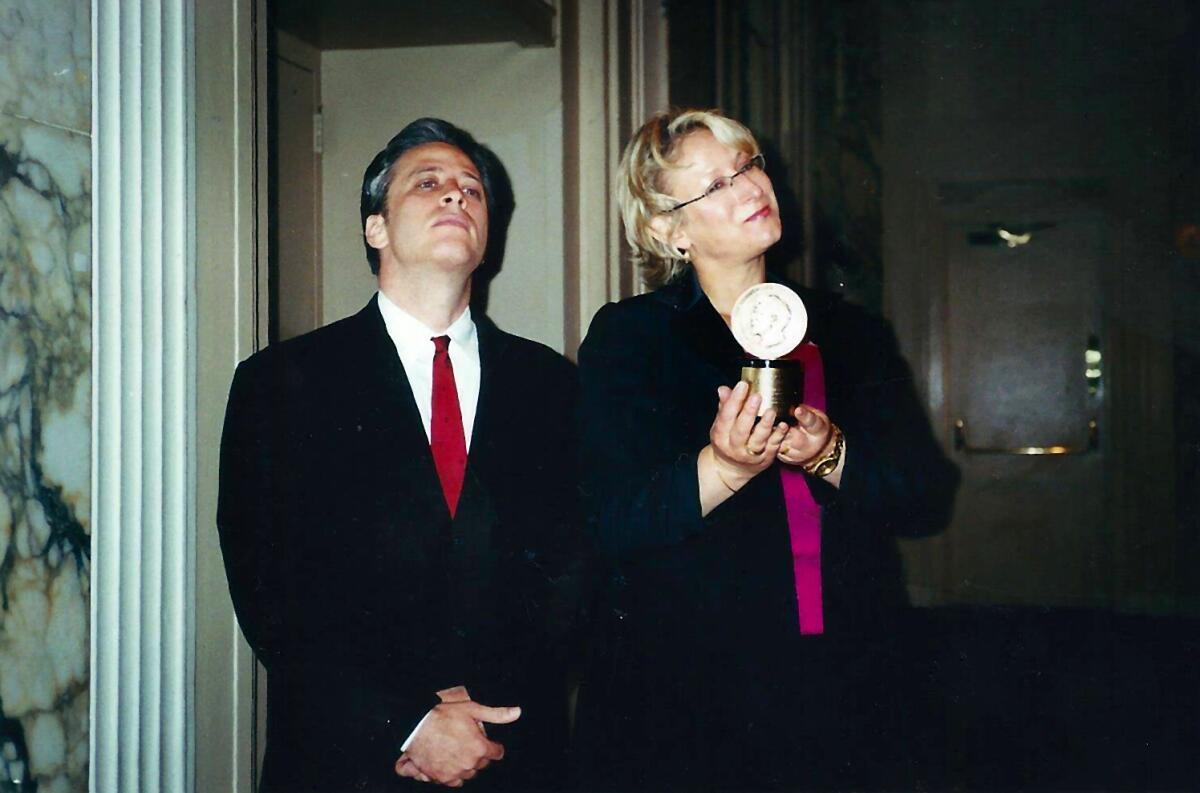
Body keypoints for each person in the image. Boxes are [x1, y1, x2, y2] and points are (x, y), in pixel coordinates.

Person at [572, 109, 959, 791]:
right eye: (717, 183)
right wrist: (722, 468)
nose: (752, 186)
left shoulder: (851, 330)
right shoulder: (631, 339)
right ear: (670, 230)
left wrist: (831, 452)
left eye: (749, 164)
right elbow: (609, 520)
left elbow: (925, 496)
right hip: (691, 691)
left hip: (845, 672)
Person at [217, 118, 582, 792]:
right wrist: (409, 722)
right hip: (347, 758)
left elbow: (572, 569)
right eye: (429, 183)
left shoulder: (552, 384)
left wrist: (477, 723)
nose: (457, 197)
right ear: (375, 228)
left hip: (511, 753)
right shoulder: (282, 380)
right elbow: (269, 583)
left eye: (472, 189)